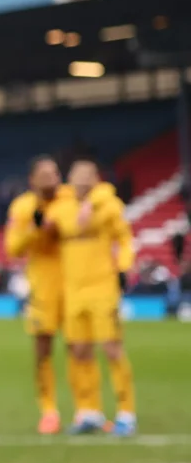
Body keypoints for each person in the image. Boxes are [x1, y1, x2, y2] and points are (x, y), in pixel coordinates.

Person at [47, 157, 137, 436]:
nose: (82, 179)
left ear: (97, 178)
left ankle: (126, 411)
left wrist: (123, 267)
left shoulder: (110, 206)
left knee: (111, 348)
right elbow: (44, 228)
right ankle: (89, 411)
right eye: (77, 174)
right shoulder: (61, 208)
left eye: (88, 174)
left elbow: (125, 239)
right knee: (79, 351)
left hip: (102, 288)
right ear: (69, 178)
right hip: (73, 290)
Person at [4, 155, 66, 434]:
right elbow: (13, 247)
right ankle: (49, 410)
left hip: (75, 283)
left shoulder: (71, 200)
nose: (51, 178)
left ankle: (88, 411)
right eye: (44, 174)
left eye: (54, 173)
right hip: (43, 287)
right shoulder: (23, 207)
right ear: (32, 180)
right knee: (43, 350)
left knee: (81, 349)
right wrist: (36, 229)